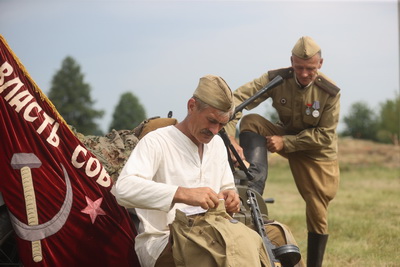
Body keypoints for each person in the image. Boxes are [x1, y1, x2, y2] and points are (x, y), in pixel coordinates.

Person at [113, 74, 303, 267]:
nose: (215, 130)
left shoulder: (218, 145)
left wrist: (231, 198)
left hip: (216, 230)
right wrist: (182, 194)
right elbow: (124, 190)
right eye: (211, 121)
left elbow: (227, 187)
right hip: (165, 240)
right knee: (229, 250)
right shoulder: (158, 141)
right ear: (191, 106)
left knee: (279, 235)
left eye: (221, 124)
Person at [225, 36, 340, 267]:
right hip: (281, 135)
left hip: (316, 154)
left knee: (318, 212)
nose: (304, 73)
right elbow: (237, 99)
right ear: (291, 62)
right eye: (299, 67)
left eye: (310, 68)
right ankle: (251, 193)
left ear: (321, 64)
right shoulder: (277, 79)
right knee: (252, 121)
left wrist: (285, 143)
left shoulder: (329, 92)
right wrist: (228, 138)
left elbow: (325, 135)